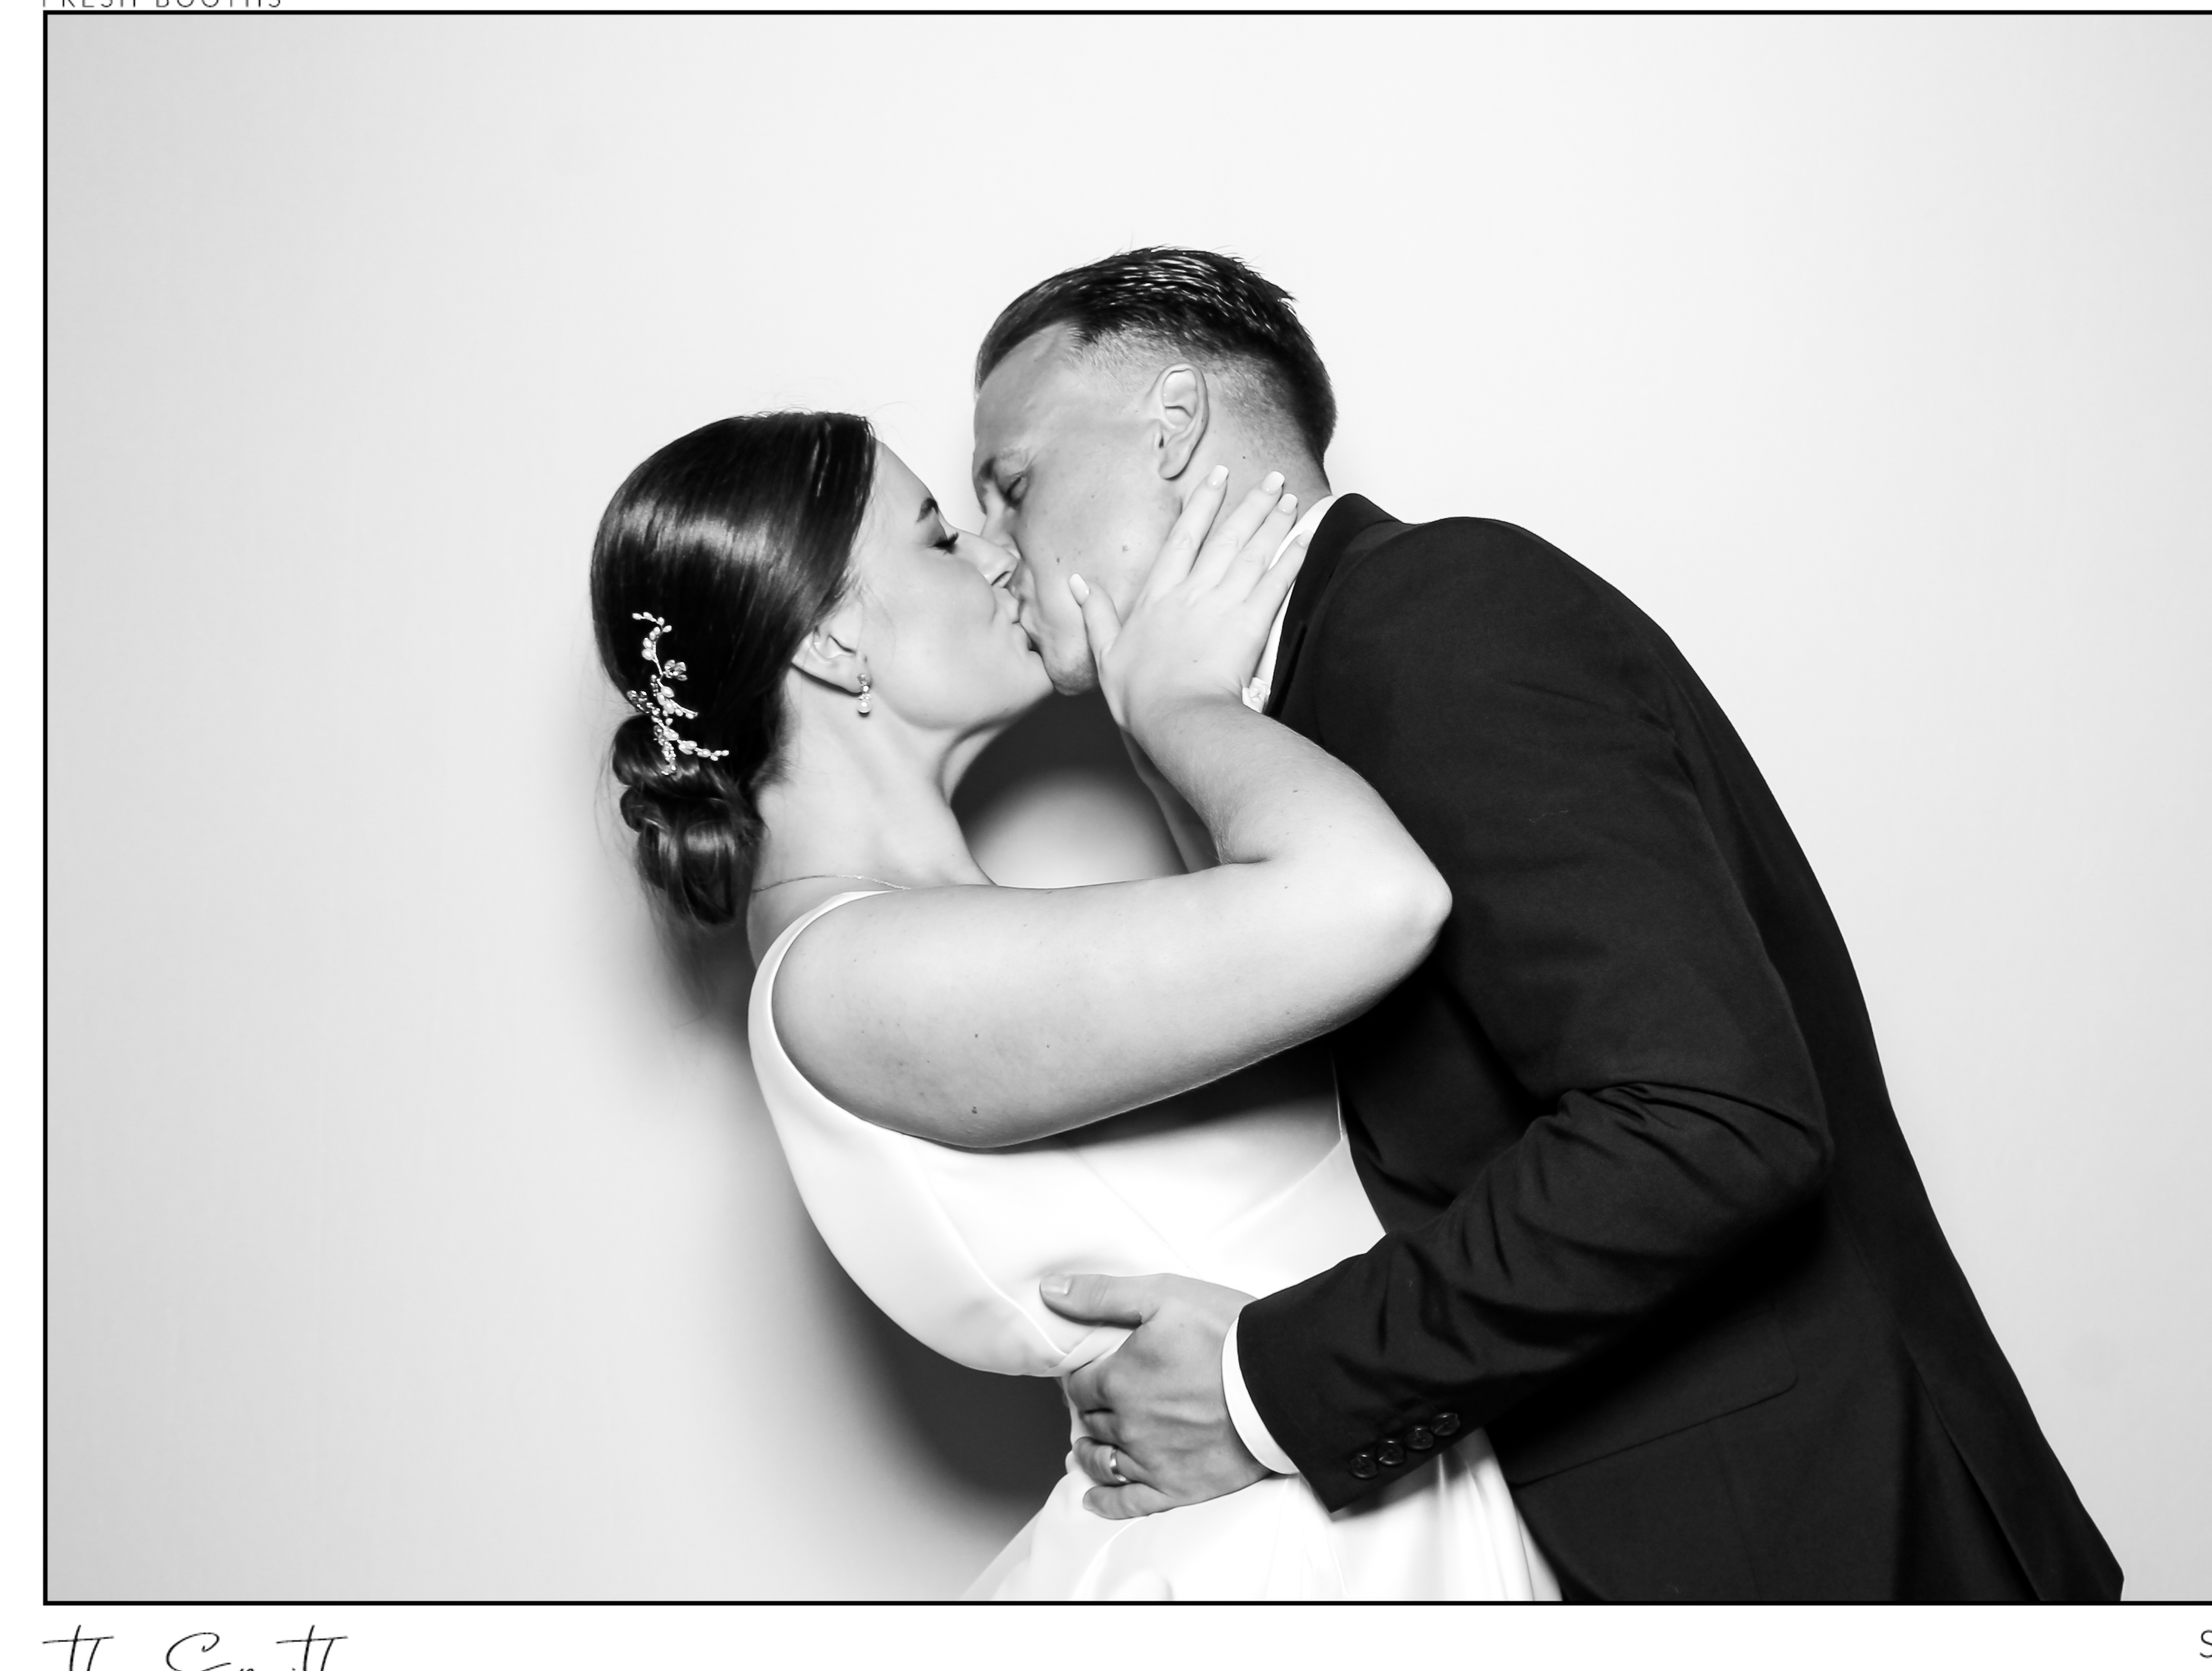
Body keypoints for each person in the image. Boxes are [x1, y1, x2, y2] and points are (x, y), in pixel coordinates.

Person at [977, 247, 2125, 1601]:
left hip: (1821, 1546)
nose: (994, 554)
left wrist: (1260, 1389)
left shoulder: (1433, 616)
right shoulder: (1296, 720)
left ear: (1173, 425)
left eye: (1015, 485)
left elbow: (1706, 1121)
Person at [589, 411, 1558, 1599]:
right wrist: (1181, 701)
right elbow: (1376, 901)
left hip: (1334, 1489)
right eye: (939, 538)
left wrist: (1155, 718)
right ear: (836, 642)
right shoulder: (854, 974)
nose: (1000, 553)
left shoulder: (931, 936)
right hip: (1274, 1564)